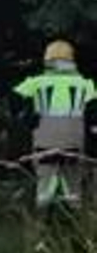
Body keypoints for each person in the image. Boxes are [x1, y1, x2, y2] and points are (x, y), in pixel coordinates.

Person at [13, 39, 97, 211]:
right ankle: (75, 226)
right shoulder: (85, 85)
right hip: (73, 143)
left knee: (44, 187)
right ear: (71, 60)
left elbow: (14, 102)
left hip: (44, 142)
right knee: (73, 188)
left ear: (47, 59)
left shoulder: (35, 83)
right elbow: (93, 114)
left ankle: (42, 225)